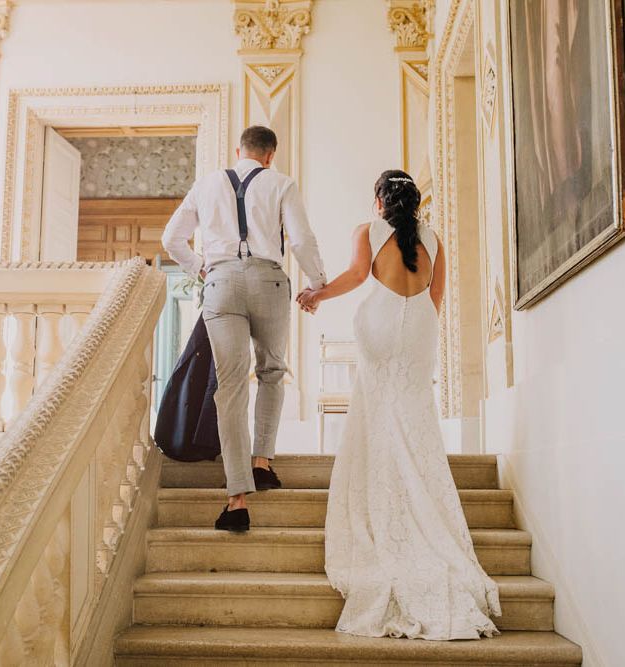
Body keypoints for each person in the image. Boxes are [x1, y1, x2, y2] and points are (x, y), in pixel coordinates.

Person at [297, 170, 501, 640]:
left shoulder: (366, 231)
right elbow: (436, 296)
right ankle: (418, 495)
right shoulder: (434, 238)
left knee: (376, 409)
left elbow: (354, 276)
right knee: (413, 414)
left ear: (379, 202)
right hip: (421, 327)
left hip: (380, 322)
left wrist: (316, 294)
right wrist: (417, 322)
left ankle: (383, 492)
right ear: (415, 202)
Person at [162, 125, 326, 532]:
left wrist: (202, 268)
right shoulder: (282, 183)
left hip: (220, 284)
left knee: (230, 387)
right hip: (269, 280)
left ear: (239, 151)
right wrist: (318, 284)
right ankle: (263, 462)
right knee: (271, 372)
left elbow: (172, 239)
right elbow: (302, 239)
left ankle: (236, 500)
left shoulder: (206, 184)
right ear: (271, 155)